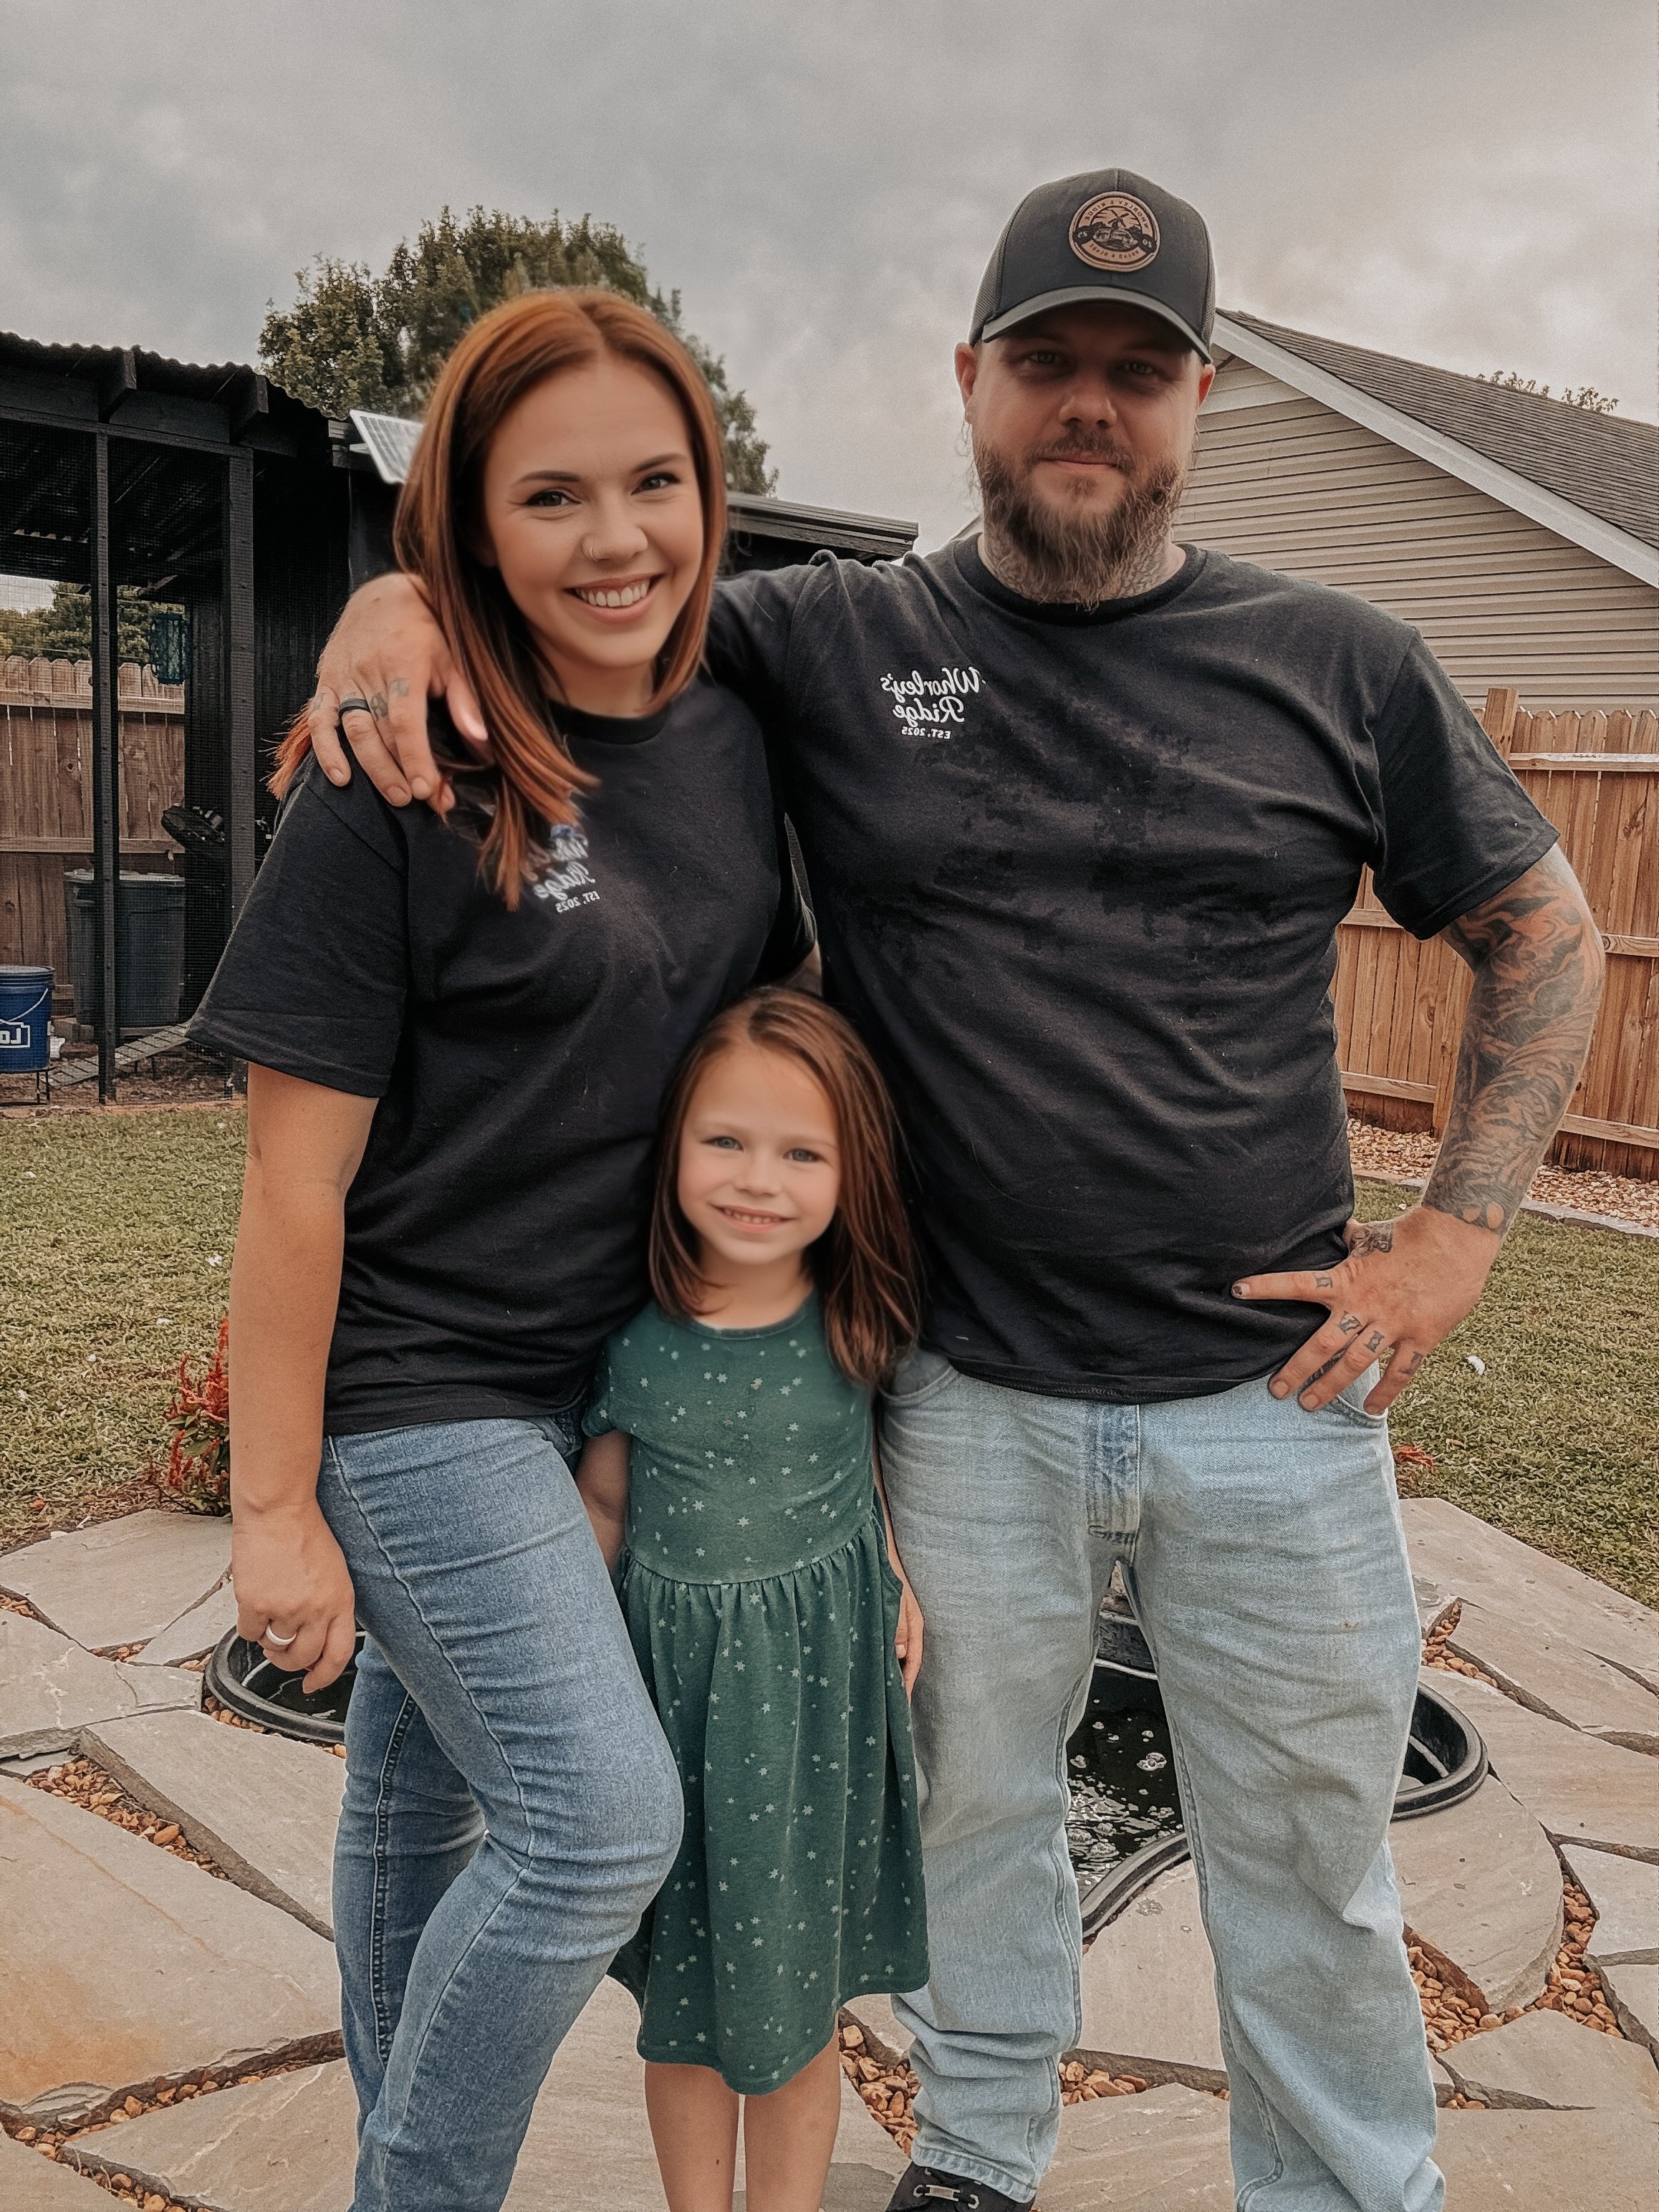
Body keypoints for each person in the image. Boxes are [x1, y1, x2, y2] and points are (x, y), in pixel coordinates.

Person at [305, 168, 1605, 2212]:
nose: (1089, 404)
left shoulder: (1341, 661)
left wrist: (1454, 1234)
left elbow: (1545, 931)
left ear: (1197, 400)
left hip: (1271, 1405)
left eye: (1137, 371)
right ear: (969, 381)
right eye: (1045, 362)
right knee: (974, 1823)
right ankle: (980, 2161)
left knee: (1308, 1861)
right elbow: (581, 592)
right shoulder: (833, 638)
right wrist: (390, 603)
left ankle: (1352, 2189)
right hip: (968, 1390)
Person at [186, 285, 815, 2212]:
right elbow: (291, 1182)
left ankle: (397, 2153)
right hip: (421, 1389)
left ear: (712, 491)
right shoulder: (398, 767)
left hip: (598, 1379)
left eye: (654, 482)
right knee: (598, 1822)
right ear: (465, 519)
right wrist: (272, 1509)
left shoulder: (738, 737)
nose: (615, 538)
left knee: (419, 1797)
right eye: (549, 497)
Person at [575, 986, 928, 2212]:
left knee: (798, 2005)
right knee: (687, 2007)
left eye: (800, 1153)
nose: (757, 1180)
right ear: (673, 1141)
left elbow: (867, 1472)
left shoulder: (859, 1317)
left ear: (851, 1168)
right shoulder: (630, 1332)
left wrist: (896, 1573)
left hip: (817, 1710)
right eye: (725, 1140)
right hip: (673, 1703)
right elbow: (602, 1508)